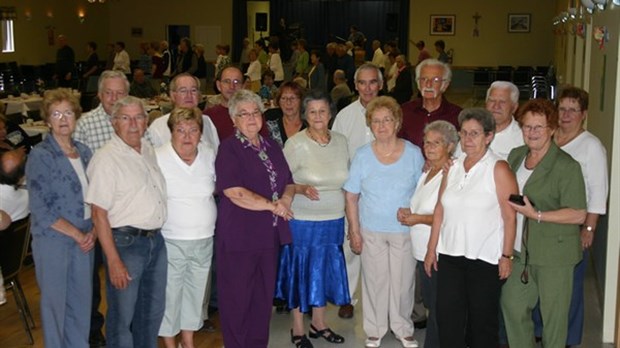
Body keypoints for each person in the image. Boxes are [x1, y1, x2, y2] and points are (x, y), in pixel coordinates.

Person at [423, 108, 518, 347]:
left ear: (488, 136)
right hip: (450, 256)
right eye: (464, 133)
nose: (468, 139)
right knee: (448, 319)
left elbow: (510, 217)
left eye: (474, 134)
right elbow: (440, 209)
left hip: (484, 259)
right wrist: (431, 249)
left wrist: (506, 255)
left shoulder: (499, 168)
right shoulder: (452, 166)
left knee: (482, 324)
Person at [500, 99, 587, 348]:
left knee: (553, 318)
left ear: (551, 129)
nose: (532, 133)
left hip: (555, 254)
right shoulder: (516, 156)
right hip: (520, 252)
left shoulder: (566, 166)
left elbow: (578, 214)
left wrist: (536, 214)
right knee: (512, 305)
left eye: (539, 127)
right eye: (527, 127)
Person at [215, 89, 295, 348]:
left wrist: (285, 200)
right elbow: (234, 192)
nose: (251, 118)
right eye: (243, 114)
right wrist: (273, 206)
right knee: (237, 302)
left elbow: (290, 182)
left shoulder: (271, 145)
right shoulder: (229, 148)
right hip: (240, 238)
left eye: (255, 112)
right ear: (234, 119)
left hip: (268, 238)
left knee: (262, 301)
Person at [86, 96, 167, 348]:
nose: (133, 124)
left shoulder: (147, 150)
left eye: (139, 117)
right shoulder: (106, 159)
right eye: (125, 118)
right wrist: (113, 261)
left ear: (146, 121)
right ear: (113, 123)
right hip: (126, 244)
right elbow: (99, 214)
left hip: (156, 241)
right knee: (122, 318)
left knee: (151, 314)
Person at [344, 96, 424, 348]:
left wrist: (414, 212)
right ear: (370, 125)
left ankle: (402, 328)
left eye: (386, 120)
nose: (381, 126)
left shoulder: (413, 153)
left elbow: (424, 191)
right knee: (375, 281)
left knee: (403, 282)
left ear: (397, 122)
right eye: (375, 121)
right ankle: (375, 329)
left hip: (403, 230)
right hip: (371, 229)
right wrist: (354, 231)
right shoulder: (362, 155)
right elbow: (351, 196)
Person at [531, 87, 609, 346]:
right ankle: (542, 331)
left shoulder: (591, 147)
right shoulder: (548, 138)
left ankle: (567, 339)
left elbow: (598, 192)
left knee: (570, 289)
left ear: (583, 114)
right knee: (541, 286)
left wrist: (589, 229)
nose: (565, 115)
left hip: (573, 226)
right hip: (541, 223)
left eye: (572, 110)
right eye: (562, 108)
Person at [275, 91, 350, 348]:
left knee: (324, 272)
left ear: (330, 114)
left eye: (323, 111)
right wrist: (300, 187)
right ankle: (297, 328)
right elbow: (281, 181)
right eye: (313, 112)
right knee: (301, 273)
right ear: (306, 115)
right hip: (303, 220)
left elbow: (348, 179)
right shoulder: (295, 144)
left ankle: (319, 323)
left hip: (334, 220)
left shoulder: (341, 141)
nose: (318, 116)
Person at [25, 88, 95, 347]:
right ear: (47, 120)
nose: (63, 118)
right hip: (54, 240)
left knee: (81, 303)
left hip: (86, 237)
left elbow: (97, 197)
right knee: (56, 307)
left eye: (68, 112)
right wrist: (78, 235)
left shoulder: (86, 152)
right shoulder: (41, 155)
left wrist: (94, 231)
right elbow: (41, 209)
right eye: (56, 113)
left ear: (76, 116)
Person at [73, 69, 129, 347]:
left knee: (123, 279)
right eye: (109, 93)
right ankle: (94, 331)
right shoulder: (84, 124)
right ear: (99, 94)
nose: (114, 98)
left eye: (121, 93)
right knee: (92, 281)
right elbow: (79, 176)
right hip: (97, 214)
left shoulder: (134, 122)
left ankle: (124, 330)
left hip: (129, 216)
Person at [156, 107, 217, 348]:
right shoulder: (158, 156)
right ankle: (171, 344)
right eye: (180, 130)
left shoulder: (209, 153)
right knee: (171, 296)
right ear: (171, 132)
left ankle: (188, 341)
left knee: (195, 295)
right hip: (171, 239)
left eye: (193, 130)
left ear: (201, 133)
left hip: (204, 237)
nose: (187, 135)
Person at [397, 120, 458, 348]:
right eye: (426, 142)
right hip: (422, 250)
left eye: (437, 143)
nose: (429, 147)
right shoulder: (428, 170)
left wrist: (418, 218)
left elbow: (450, 215)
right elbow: (424, 205)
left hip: (440, 250)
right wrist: (410, 213)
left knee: (440, 307)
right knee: (434, 305)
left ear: (450, 146)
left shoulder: (452, 173)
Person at [332, 63, 383, 319]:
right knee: (350, 247)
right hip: (352, 194)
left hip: (383, 196)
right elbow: (338, 154)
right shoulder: (345, 116)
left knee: (378, 251)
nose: (367, 88)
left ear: (381, 85)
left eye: (372, 82)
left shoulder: (391, 113)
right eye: (362, 83)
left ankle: (378, 304)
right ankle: (347, 298)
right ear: (355, 85)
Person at [400, 59, 461, 148]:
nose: (428, 84)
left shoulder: (457, 116)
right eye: (423, 79)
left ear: (445, 85)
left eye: (435, 80)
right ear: (418, 83)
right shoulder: (403, 111)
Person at [148, 73, 219, 150]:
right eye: (183, 91)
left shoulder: (207, 121)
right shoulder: (158, 127)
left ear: (199, 95)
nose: (189, 95)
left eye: (193, 90)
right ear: (173, 95)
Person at [264, 81, 307, 147]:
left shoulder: (309, 128)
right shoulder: (269, 126)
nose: (288, 102)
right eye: (283, 98)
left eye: (293, 98)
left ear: (301, 101)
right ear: (279, 102)